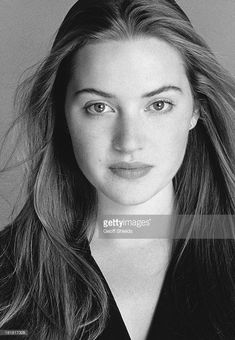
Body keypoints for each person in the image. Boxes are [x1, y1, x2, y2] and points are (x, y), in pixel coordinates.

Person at [0, 0, 235, 339]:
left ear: (195, 110)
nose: (129, 142)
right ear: (63, 113)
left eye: (158, 105)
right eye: (99, 107)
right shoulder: (8, 274)